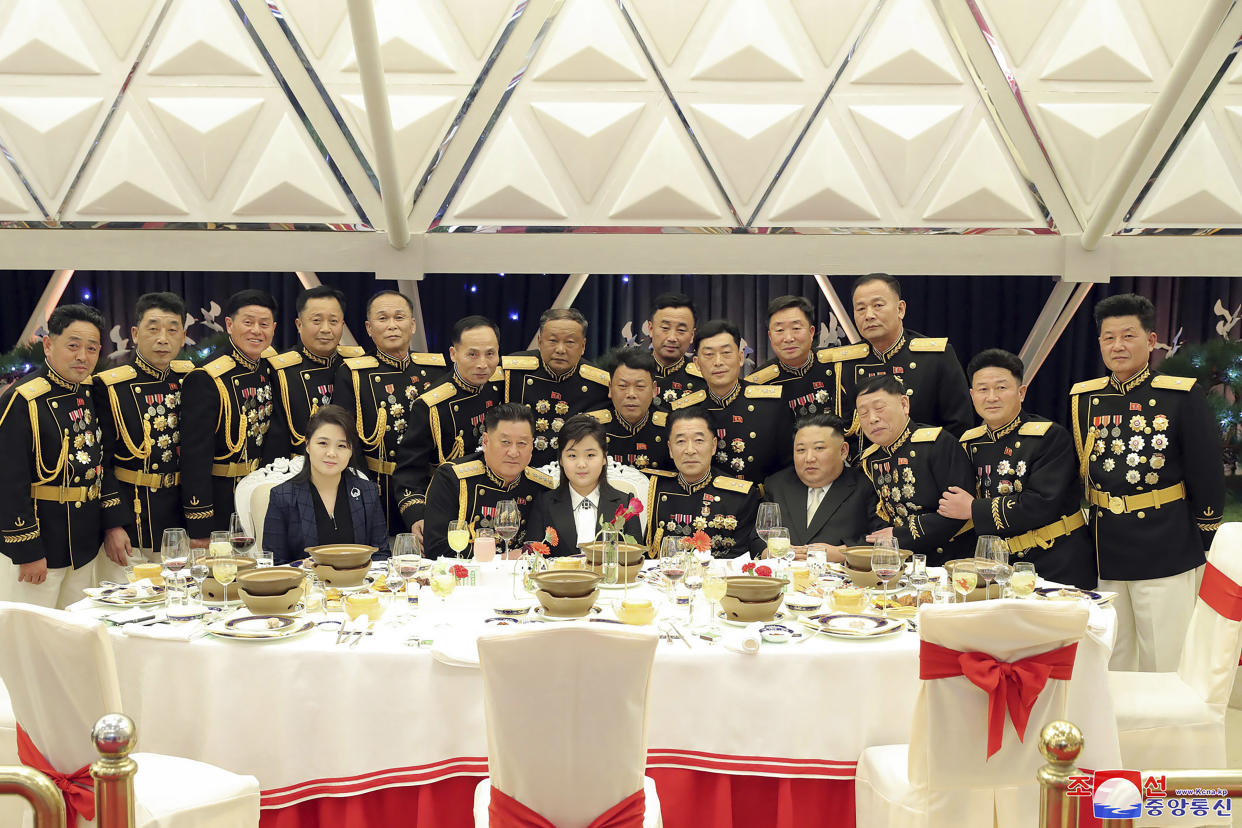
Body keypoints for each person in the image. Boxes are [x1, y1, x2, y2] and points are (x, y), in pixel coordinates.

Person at [1071, 293, 1224, 672]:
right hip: (1105, 545)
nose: (1118, 346)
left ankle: (1168, 731)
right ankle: (1119, 731)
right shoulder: (1085, 399)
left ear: (1152, 340)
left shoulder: (1179, 395)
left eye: (1128, 335)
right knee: (1111, 654)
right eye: (1108, 337)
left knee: (1165, 657)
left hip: (1164, 541)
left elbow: (1206, 469)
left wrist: (1204, 535)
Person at [0, 305, 130, 607]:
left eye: (91, 348)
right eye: (73, 346)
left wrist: (112, 523)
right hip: (41, 547)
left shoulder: (87, 392)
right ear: (48, 344)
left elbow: (99, 462)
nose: (82, 356)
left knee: (72, 636)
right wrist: (27, 549)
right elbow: (8, 481)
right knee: (30, 640)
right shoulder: (23, 399)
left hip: (83, 543)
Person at [938, 349, 1096, 589]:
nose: (991, 397)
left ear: (1021, 393)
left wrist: (972, 508)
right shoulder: (969, 443)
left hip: (1056, 563)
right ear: (972, 395)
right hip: (998, 567)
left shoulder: (1048, 436)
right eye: (982, 389)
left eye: (1001, 388)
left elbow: (1042, 503)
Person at [94, 292, 195, 580]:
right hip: (132, 520)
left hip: (179, 519)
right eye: (153, 329)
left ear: (183, 336)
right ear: (136, 334)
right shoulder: (111, 387)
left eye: (172, 330)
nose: (163, 339)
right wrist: (112, 525)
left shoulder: (191, 380)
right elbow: (101, 462)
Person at [333, 290, 446, 536]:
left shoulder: (435, 371)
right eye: (383, 319)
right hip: (377, 487)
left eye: (399, 317)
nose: (392, 326)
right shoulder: (354, 374)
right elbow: (345, 440)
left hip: (426, 488)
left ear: (413, 325)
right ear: (369, 327)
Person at [182, 289, 282, 542]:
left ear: (274, 328)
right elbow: (195, 456)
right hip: (222, 502)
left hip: (262, 494)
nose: (256, 331)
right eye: (248, 322)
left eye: (264, 324)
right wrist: (200, 525)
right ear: (229, 324)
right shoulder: (207, 378)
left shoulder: (269, 368)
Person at [395, 315, 505, 539]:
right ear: (454, 354)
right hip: (450, 507)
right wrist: (417, 514)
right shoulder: (432, 405)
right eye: (472, 354)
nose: (483, 363)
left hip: (495, 502)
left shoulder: (500, 386)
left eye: (490, 354)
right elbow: (409, 470)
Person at [831, 273, 973, 438]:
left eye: (877, 305)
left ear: (900, 309)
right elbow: (842, 429)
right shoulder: (847, 364)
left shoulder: (935, 357)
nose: (869, 315)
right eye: (861, 308)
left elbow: (959, 425)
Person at [856, 375, 975, 565]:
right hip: (900, 560)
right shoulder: (871, 459)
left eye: (879, 408)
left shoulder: (937, 444)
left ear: (904, 404)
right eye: (863, 414)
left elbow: (957, 514)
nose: (872, 419)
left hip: (950, 560)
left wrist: (899, 536)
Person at [422, 403, 554, 559]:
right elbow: (436, 548)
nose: (513, 452)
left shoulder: (541, 486)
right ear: (485, 441)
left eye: (522, 443)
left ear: (532, 446)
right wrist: (503, 559)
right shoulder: (453, 478)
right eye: (505, 442)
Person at [262, 405, 388, 566]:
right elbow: (274, 563)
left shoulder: (367, 492)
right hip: (306, 588)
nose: (331, 453)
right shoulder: (283, 496)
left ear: (351, 451)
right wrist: (302, 566)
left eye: (342, 445)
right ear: (307, 445)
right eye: (323, 443)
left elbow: (381, 555)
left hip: (359, 587)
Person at [672, 319, 786, 482]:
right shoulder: (684, 410)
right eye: (709, 355)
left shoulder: (770, 404)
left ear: (740, 358)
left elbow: (787, 466)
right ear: (697, 363)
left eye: (726, 353)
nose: (718, 362)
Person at [645, 406, 765, 558]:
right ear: (670, 448)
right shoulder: (653, 488)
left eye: (699, 440)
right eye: (681, 441)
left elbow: (741, 556)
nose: (690, 450)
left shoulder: (740, 496)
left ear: (714, 445)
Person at [503, 308, 609, 468]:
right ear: (539, 342)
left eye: (570, 342)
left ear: (583, 346)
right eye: (553, 341)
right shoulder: (512, 371)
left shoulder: (599, 384)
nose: (560, 349)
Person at [267, 285, 365, 455]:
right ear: (299, 324)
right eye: (317, 321)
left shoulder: (356, 364)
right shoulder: (281, 370)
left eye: (333, 321)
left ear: (342, 324)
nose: (326, 329)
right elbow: (276, 441)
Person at [762, 413, 882, 551]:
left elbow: (883, 540)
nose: (809, 458)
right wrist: (774, 552)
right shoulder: (777, 485)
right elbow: (757, 539)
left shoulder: (865, 486)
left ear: (843, 451)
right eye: (801, 450)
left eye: (819, 448)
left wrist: (842, 553)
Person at [526, 415, 644, 555]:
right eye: (572, 456)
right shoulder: (544, 503)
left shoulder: (625, 504)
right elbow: (532, 559)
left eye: (590, 455)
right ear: (561, 460)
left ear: (604, 458)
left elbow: (635, 558)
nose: (581, 464)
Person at [746, 295, 838, 423]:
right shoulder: (758, 384)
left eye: (796, 328)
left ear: (811, 332)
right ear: (770, 336)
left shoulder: (837, 365)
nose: (788, 338)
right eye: (779, 330)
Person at [586, 347, 669, 472]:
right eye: (623, 386)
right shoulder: (590, 427)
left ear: (654, 390)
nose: (631, 394)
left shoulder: (670, 427)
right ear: (610, 388)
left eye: (640, 386)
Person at [647, 292, 701, 405]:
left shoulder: (703, 380)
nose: (672, 338)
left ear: (692, 335)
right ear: (651, 329)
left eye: (681, 330)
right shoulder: (630, 371)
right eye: (665, 328)